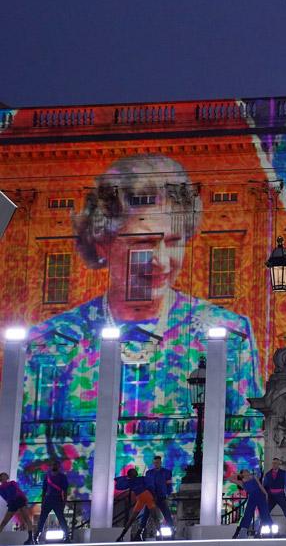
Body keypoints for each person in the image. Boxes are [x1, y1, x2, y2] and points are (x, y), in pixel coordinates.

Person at [22, 154, 261, 485]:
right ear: (102, 240)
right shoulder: (51, 339)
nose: (160, 263)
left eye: (174, 242)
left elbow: (247, 443)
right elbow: (26, 451)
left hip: (186, 511)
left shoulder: (227, 332)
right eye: (143, 245)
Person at [114, 468, 159, 542]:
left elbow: (118, 484)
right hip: (145, 498)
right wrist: (154, 495)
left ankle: (121, 536)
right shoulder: (137, 480)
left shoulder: (131, 481)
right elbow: (150, 485)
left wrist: (126, 477)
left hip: (145, 498)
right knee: (153, 517)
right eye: (134, 472)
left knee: (153, 517)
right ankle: (121, 536)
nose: (136, 472)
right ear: (132, 474)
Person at [230, 469, 273, 539]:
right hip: (252, 498)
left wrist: (266, 493)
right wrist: (238, 474)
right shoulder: (241, 483)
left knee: (265, 513)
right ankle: (242, 533)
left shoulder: (254, 477)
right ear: (242, 474)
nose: (248, 472)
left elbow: (260, 485)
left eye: (248, 471)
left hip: (260, 496)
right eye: (246, 471)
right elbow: (230, 479)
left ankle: (270, 532)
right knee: (247, 514)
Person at [263, 457, 286, 537]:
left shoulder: (284, 473)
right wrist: (265, 495)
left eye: (276, 463)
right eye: (273, 463)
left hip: (280, 495)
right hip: (271, 496)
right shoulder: (268, 474)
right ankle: (265, 530)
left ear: (279, 464)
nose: (274, 464)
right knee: (265, 512)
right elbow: (265, 486)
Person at [36, 463, 70, 542]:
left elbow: (65, 491)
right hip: (47, 499)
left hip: (57, 500)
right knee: (42, 518)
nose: (54, 466)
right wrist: (42, 501)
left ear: (59, 466)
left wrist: (64, 502)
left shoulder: (62, 477)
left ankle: (67, 536)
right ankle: (37, 535)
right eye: (53, 465)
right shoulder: (47, 476)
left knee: (61, 518)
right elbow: (44, 490)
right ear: (51, 466)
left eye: (56, 465)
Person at [0, 472, 35, 544]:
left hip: (19, 500)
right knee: (4, 521)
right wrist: (10, 503)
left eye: (5, 475)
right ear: (0, 478)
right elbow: (4, 497)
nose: (4, 477)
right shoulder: (0, 488)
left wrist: (25, 499)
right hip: (12, 503)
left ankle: (31, 538)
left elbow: (19, 491)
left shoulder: (12, 483)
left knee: (26, 518)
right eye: (2, 476)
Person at [145, 456, 174, 529]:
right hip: (151, 497)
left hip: (161, 496)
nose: (156, 464)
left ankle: (171, 528)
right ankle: (141, 530)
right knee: (146, 514)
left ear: (160, 463)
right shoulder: (149, 473)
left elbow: (169, 484)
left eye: (157, 462)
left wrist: (168, 494)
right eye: (155, 463)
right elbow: (147, 484)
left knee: (167, 514)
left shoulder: (167, 472)